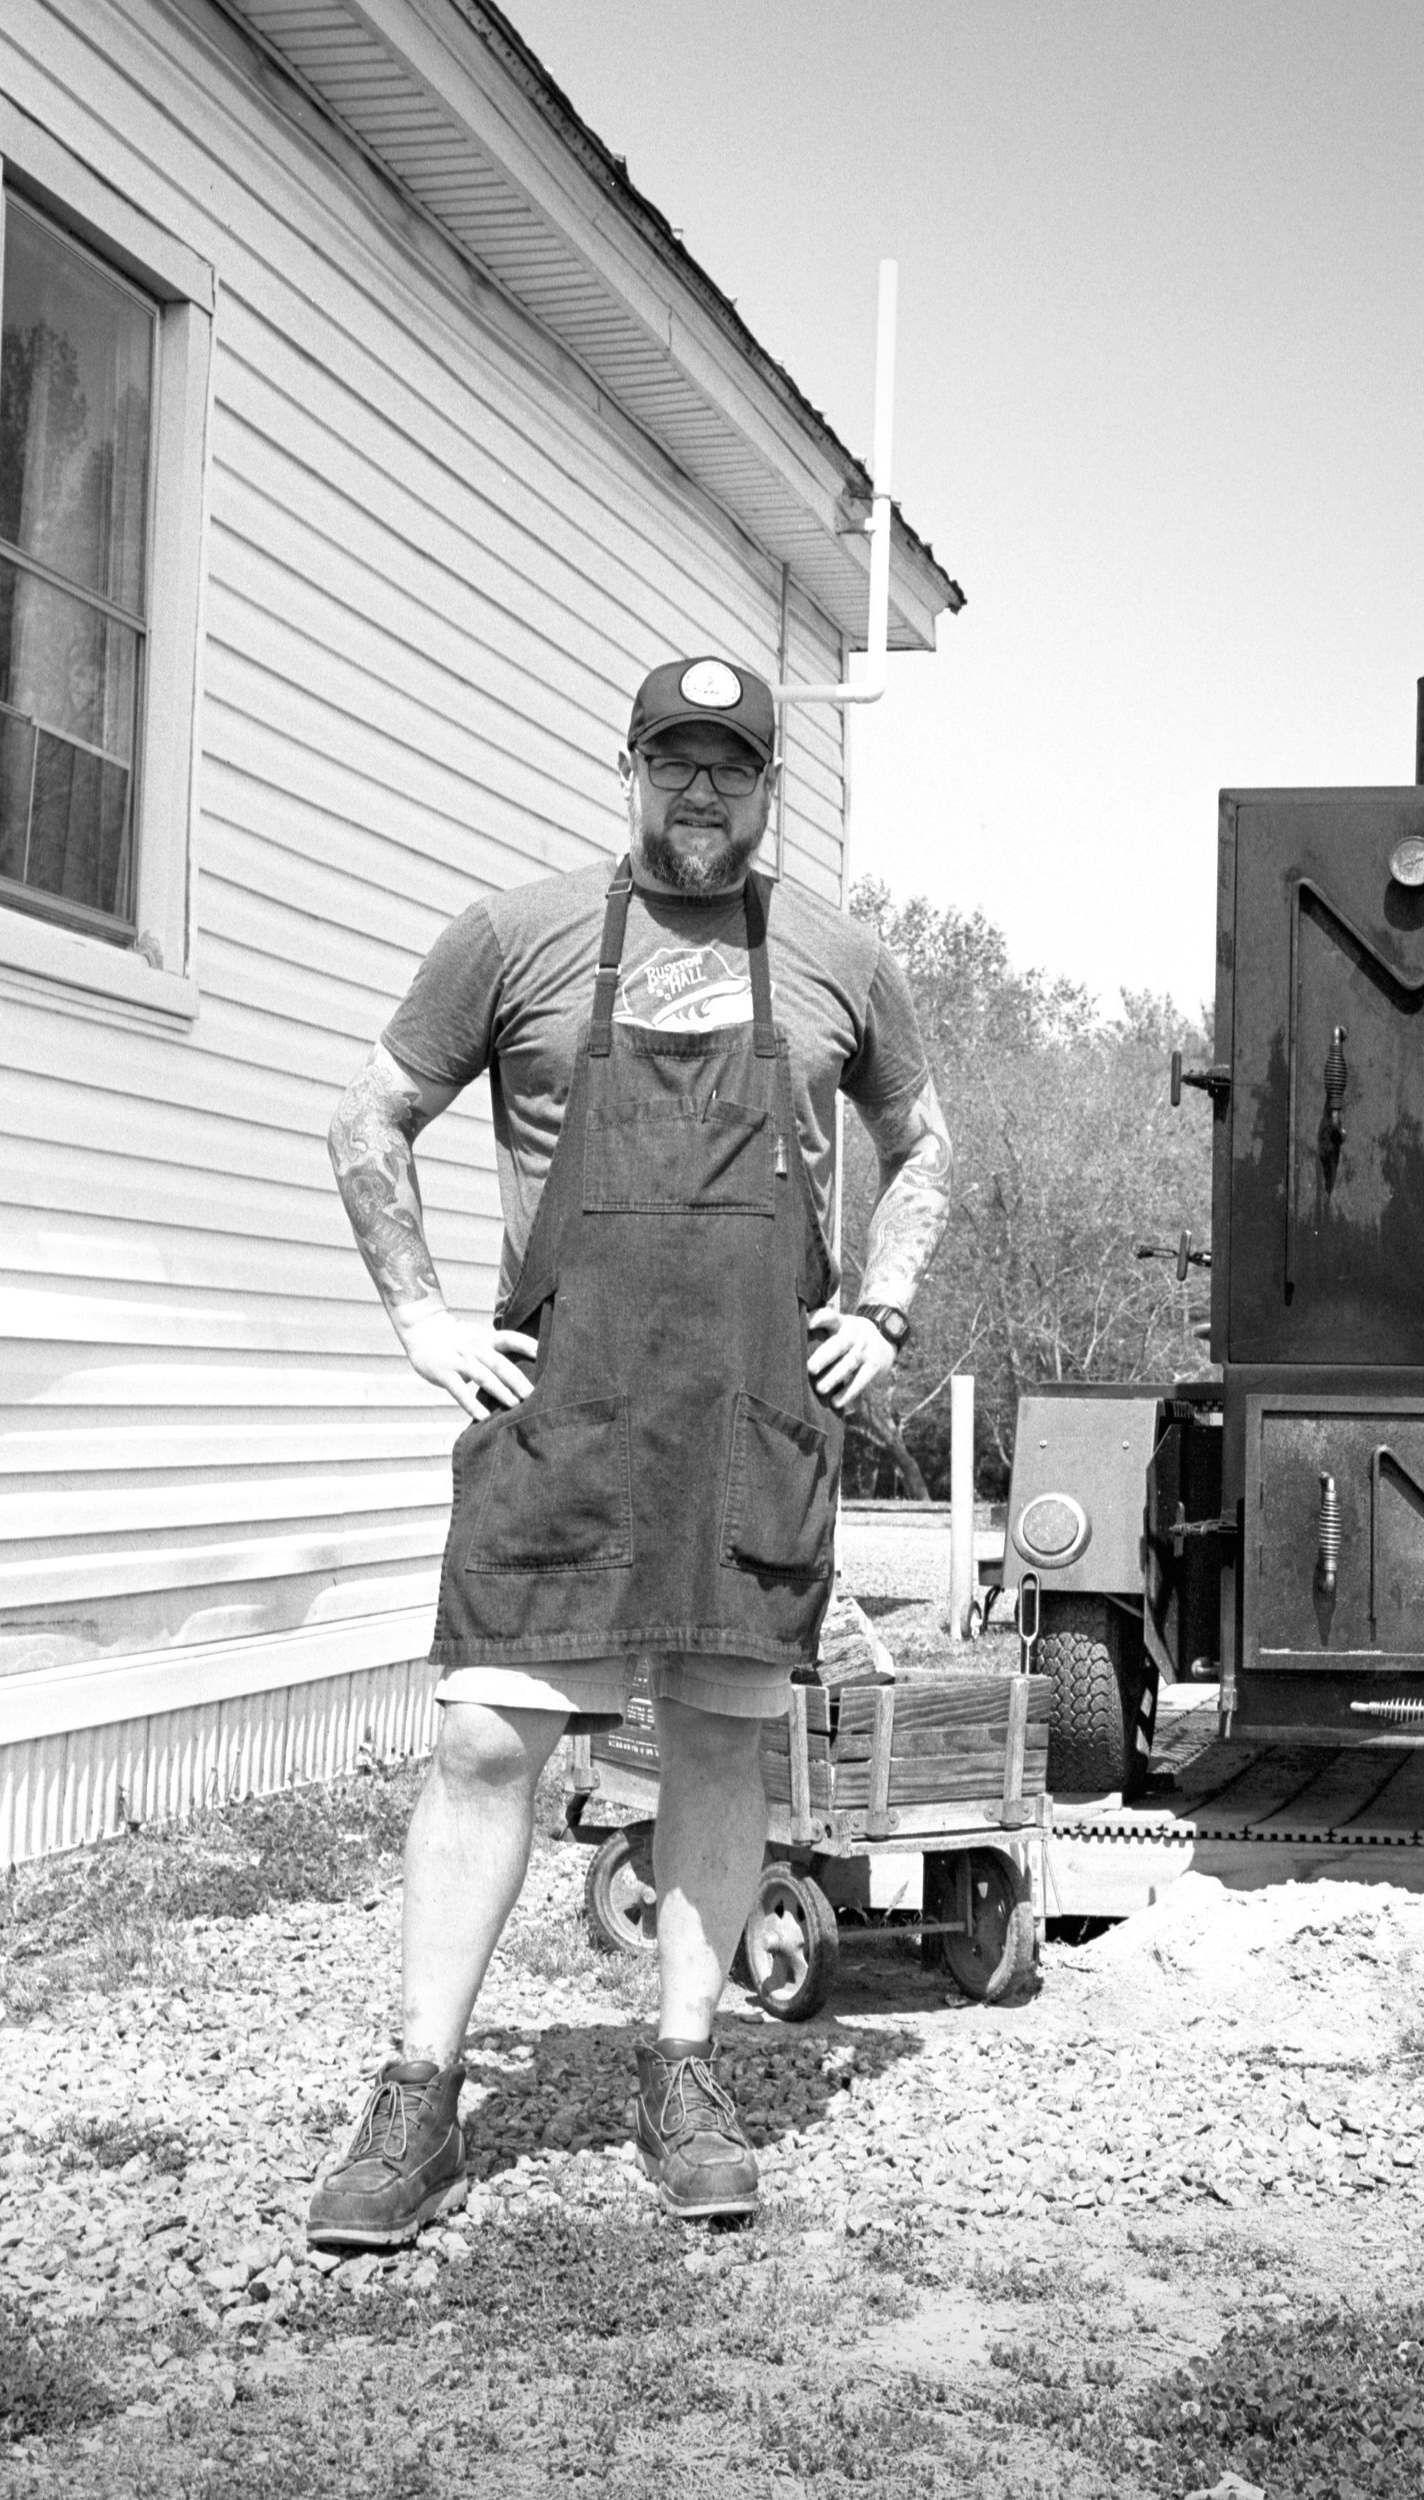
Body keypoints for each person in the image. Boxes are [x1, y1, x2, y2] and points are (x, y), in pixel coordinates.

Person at [307, 653, 950, 2239]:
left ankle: (684, 2066)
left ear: (767, 785)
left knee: (722, 1742)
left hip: (749, 1412)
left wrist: (883, 1307)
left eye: (731, 766)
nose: (702, 791)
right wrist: (422, 1319)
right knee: (482, 1744)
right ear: (633, 768)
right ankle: (417, 2096)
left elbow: (924, 1144)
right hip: (566, 1410)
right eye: (675, 761)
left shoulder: (837, 956)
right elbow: (366, 1116)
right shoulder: (515, 938)